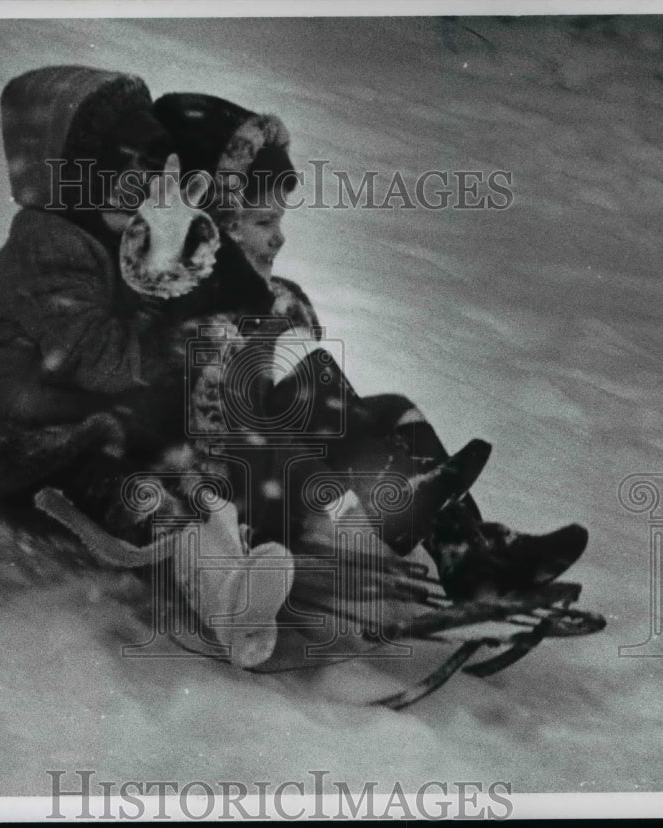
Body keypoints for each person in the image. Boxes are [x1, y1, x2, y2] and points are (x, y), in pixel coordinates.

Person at [151, 92, 588, 601]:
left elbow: (337, 411)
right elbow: (212, 419)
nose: (279, 239)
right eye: (263, 224)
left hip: (299, 469)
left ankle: (466, 551)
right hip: (238, 486)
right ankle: (403, 502)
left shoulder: (280, 299)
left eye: (281, 223)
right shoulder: (186, 307)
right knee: (296, 376)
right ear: (219, 231)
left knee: (394, 411)